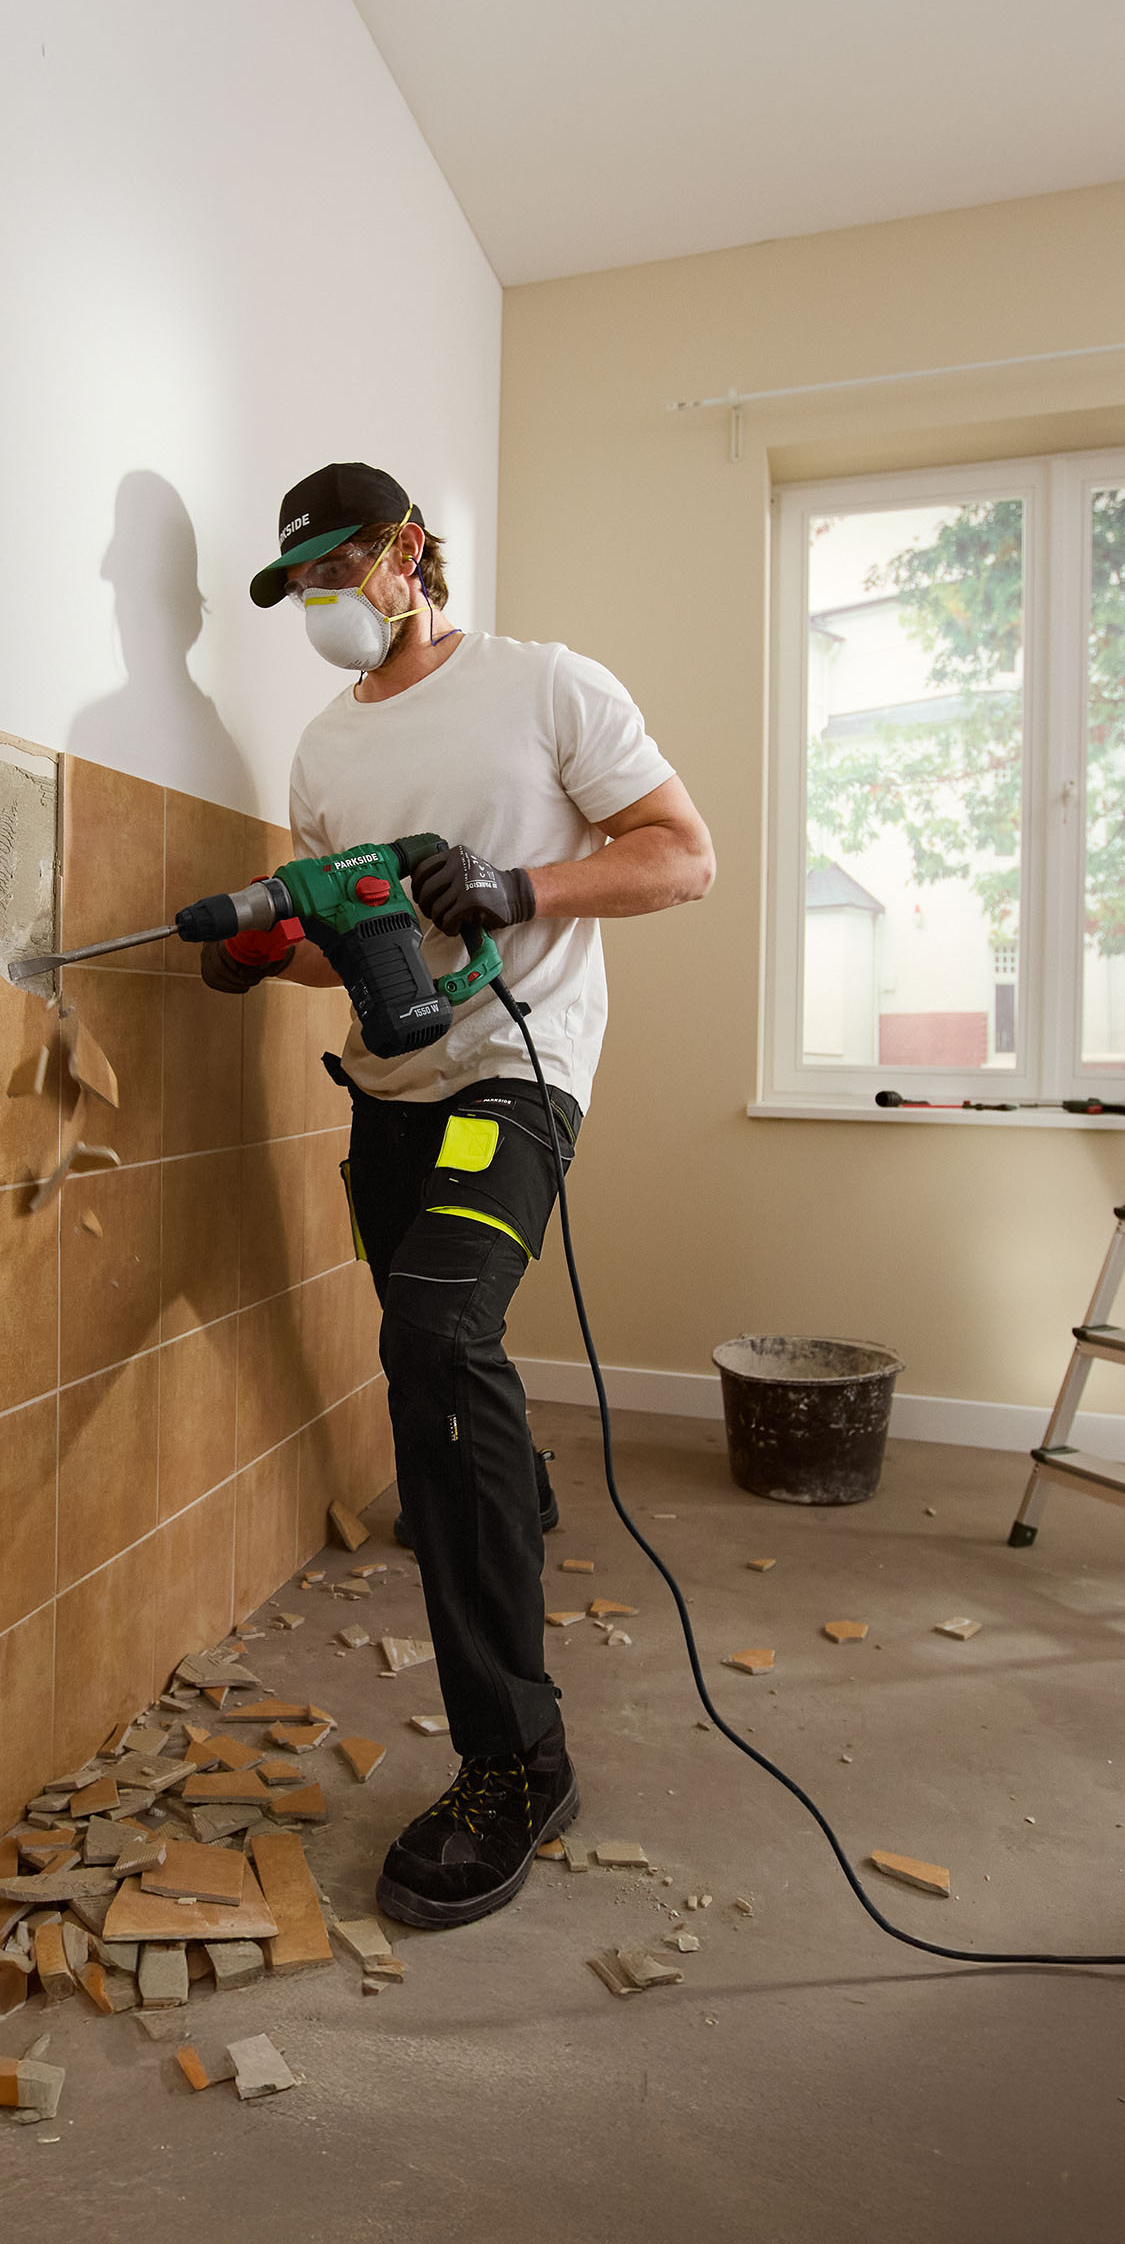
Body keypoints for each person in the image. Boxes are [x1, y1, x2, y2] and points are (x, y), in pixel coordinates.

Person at [208, 461, 714, 1929]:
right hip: (389, 1091)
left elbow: (680, 857)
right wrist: (262, 958)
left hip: (520, 1072)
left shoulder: (547, 686)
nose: (317, 600)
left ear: (407, 553)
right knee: (447, 1367)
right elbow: (336, 940)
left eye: (332, 569)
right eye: (294, 581)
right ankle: (518, 1490)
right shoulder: (318, 756)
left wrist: (523, 891)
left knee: (433, 1342)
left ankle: (517, 1760)